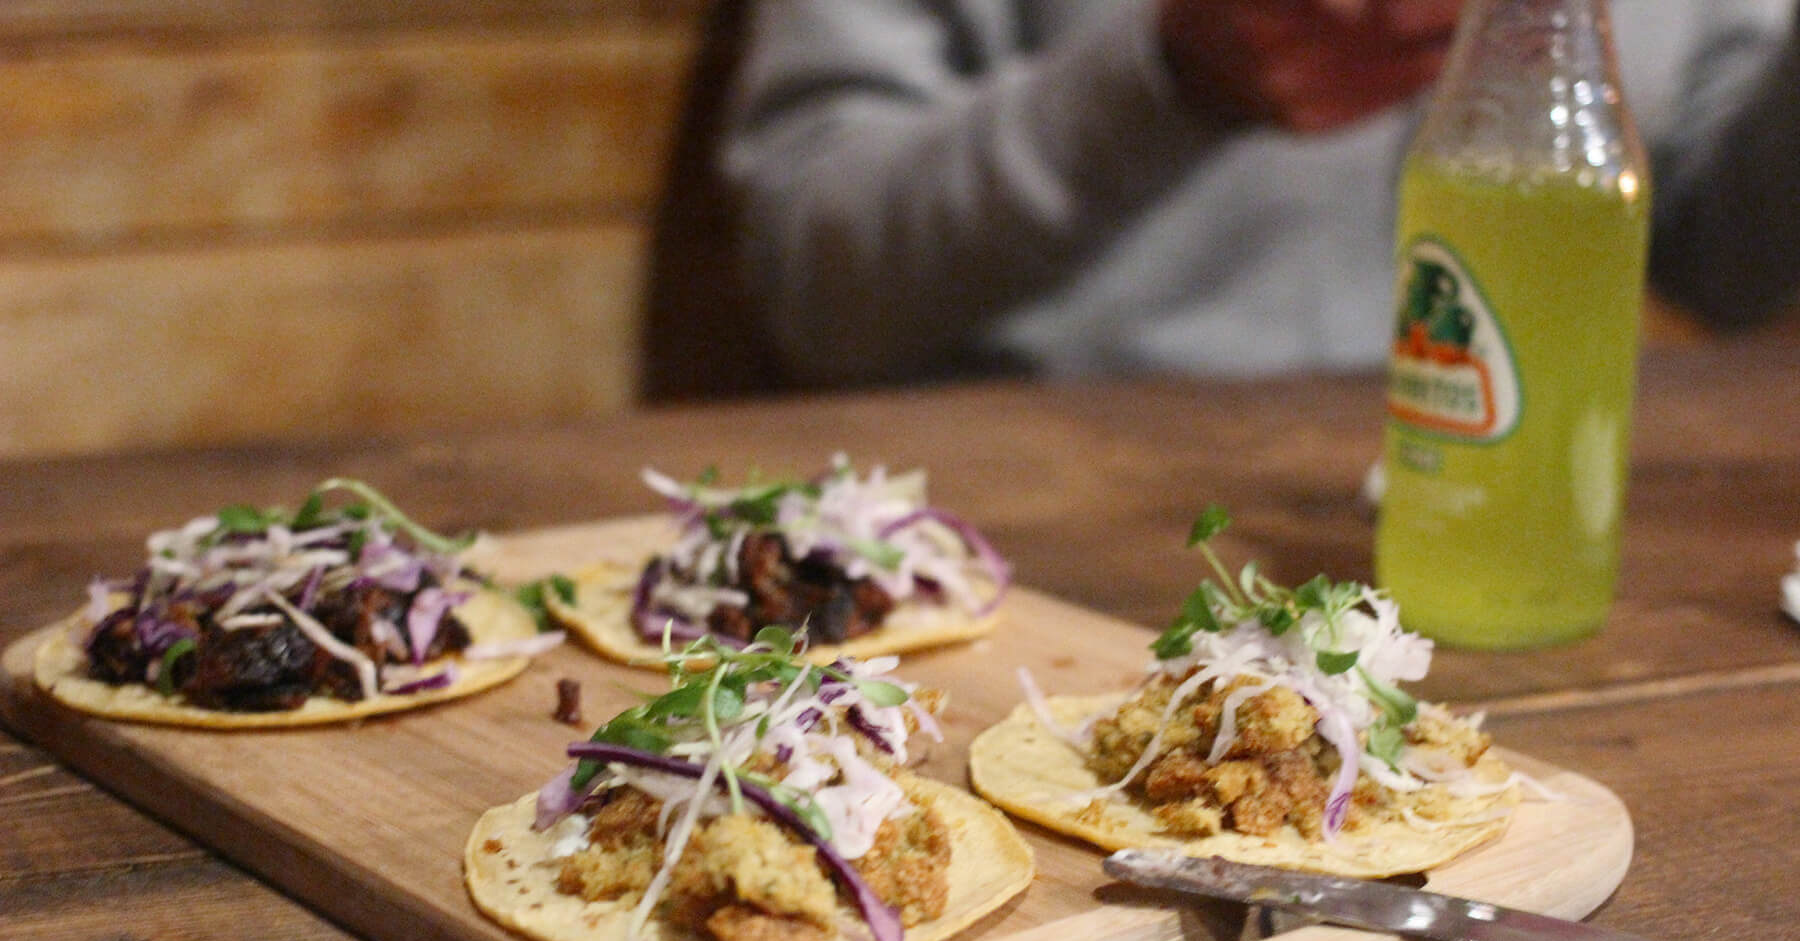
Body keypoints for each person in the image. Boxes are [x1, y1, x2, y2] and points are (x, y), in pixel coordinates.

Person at [718, 0, 1800, 388]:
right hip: (1037, 553)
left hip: (1541, 548)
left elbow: (1727, 265)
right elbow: (818, 283)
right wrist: (1165, 82)